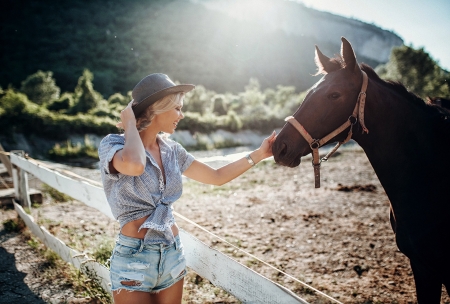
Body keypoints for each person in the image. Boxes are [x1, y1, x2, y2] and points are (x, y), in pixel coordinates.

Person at [98, 73, 276, 304]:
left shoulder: (173, 151)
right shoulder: (113, 145)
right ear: (157, 109)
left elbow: (216, 176)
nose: (182, 115)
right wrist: (130, 124)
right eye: (178, 108)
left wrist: (259, 154)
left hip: (172, 253)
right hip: (134, 258)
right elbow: (135, 164)